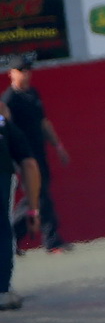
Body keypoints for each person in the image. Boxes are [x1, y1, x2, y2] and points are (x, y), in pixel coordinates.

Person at [2, 56, 71, 253]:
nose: (25, 74)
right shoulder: (9, 99)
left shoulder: (33, 94)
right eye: (20, 70)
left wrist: (58, 146)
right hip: (22, 158)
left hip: (39, 153)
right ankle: (48, 240)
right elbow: (6, 131)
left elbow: (43, 123)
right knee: (37, 196)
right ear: (11, 74)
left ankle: (14, 237)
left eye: (27, 70)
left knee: (41, 195)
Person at [0, 100, 41, 310]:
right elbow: (30, 165)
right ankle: (2, 290)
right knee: (2, 230)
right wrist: (33, 210)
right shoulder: (6, 126)